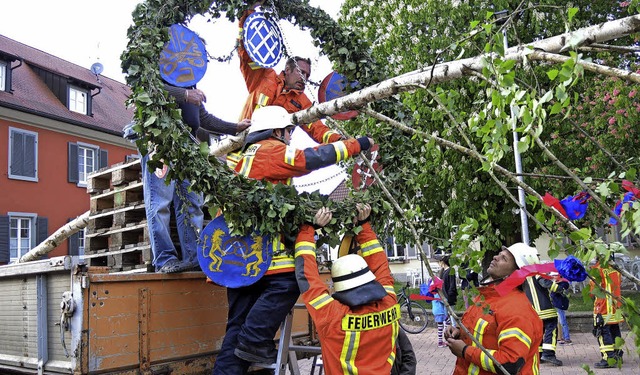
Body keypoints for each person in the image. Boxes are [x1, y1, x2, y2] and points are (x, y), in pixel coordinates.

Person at [211, 106, 374, 375]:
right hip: (262, 255)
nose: (289, 138)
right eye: (288, 133)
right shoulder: (270, 150)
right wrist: (358, 144)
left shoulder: (235, 159)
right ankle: (255, 341)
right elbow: (312, 158)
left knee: (236, 328)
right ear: (277, 131)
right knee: (289, 282)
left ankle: (243, 354)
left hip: (234, 259)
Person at [141, 83, 251, 273]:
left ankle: (193, 257)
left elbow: (202, 117)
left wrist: (235, 127)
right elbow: (146, 90)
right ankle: (164, 259)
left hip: (187, 148)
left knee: (193, 203)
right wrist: (184, 94)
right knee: (160, 203)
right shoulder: (160, 64)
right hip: (159, 141)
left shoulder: (189, 76)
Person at [227, 3, 344, 168]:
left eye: (307, 75)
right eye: (301, 72)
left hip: (272, 157)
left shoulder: (303, 102)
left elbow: (318, 129)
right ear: (287, 69)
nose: (304, 78)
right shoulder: (263, 76)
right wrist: (249, 12)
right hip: (241, 150)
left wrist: (340, 141)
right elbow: (247, 51)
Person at [294, 203, 401, 374]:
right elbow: (382, 267)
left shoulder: (334, 317)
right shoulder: (389, 303)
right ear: (369, 279)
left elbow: (307, 276)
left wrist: (309, 229)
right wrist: (363, 225)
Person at [445, 244, 543, 375]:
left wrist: (464, 351)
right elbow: (484, 332)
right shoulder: (488, 297)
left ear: (516, 273)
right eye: (499, 254)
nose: (496, 257)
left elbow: (510, 363)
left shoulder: (516, 309)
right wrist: (460, 333)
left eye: (504, 258)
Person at [518, 243, 567, 367]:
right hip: (544, 309)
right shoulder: (536, 271)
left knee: (539, 332)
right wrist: (559, 288)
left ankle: (539, 355)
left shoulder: (522, 275)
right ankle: (549, 354)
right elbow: (546, 283)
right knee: (551, 328)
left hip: (531, 311)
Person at [590, 261, 624, 368]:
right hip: (615, 307)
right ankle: (618, 355)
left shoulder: (597, 269)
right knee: (615, 331)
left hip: (603, 307)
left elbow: (593, 291)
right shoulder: (616, 268)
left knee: (603, 332)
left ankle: (608, 358)